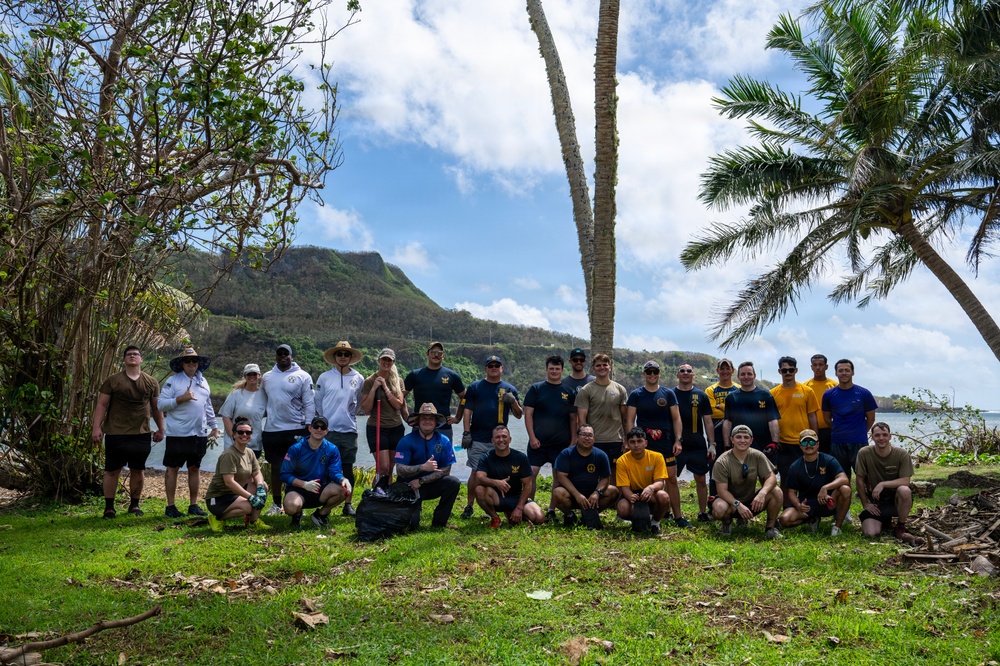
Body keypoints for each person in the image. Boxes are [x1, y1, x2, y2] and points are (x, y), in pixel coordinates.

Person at [91, 345, 165, 518]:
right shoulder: (113, 380)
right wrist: (96, 427)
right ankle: (109, 507)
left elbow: (156, 408)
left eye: (136, 354)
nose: (132, 356)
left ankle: (134, 505)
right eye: (129, 354)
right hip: (116, 432)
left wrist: (161, 429)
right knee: (112, 470)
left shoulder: (151, 382)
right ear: (124, 359)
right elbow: (102, 404)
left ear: (141, 359)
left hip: (141, 433)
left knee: (137, 470)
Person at [157, 347, 219, 518]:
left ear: (199, 363)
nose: (191, 363)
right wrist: (180, 399)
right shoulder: (173, 381)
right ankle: (170, 506)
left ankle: (193, 505)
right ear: (182, 364)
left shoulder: (203, 381)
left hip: (199, 434)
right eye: (187, 361)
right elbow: (161, 405)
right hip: (178, 433)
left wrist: (214, 426)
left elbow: (208, 406)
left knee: (194, 468)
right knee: (172, 468)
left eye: (194, 361)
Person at [459, 355, 522, 519]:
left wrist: (513, 402)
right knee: (475, 472)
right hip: (478, 437)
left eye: (497, 365)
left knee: (501, 473)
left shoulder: (509, 389)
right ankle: (470, 505)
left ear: (502, 368)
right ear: (486, 368)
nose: (494, 367)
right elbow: (467, 411)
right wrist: (466, 433)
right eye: (490, 365)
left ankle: (502, 503)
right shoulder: (475, 387)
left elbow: (519, 415)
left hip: (500, 440)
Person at [625, 360, 686, 526]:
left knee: (671, 479)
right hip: (644, 442)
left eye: (655, 372)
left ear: (659, 374)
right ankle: (645, 513)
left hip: (665, 442)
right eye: (649, 372)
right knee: (644, 478)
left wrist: (678, 440)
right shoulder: (636, 394)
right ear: (644, 374)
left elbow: (676, 418)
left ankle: (678, 516)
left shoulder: (668, 394)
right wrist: (628, 441)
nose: (652, 375)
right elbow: (630, 420)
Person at [261, 343, 315, 515]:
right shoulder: (267, 377)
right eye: (280, 354)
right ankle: (277, 504)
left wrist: (309, 424)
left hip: (297, 429)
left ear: (292, 356)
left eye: (286, 354)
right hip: (273, 430)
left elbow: (309, 402)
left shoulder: (303, 376)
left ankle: (298, 502)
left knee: (298, 468)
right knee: (276, 468)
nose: (283, 356)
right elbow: (262, 402)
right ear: (276, 356)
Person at [523, 355, 577, 518]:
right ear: (546, 370)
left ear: (562, 370)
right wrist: (532, 437)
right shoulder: (536, 388)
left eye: (557, 369)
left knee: (558, 476)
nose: (554, 371)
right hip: (538, 442)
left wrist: (573, 441)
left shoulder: (569, 392)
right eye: (551, 368)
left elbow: (574, 418)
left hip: (561, 443)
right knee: (531, 473)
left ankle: (552, 510)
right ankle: (529, 505)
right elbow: (528, 414)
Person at [316, 341, 364, 517]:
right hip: (328, 431)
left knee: (347, 468)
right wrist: (324, 423)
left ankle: (348, 504)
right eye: (340, 354)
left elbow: (359, 402)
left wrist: (349, 415)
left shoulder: (358, 378)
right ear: (335, 356)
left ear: (351, 357)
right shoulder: (324, 377)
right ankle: (323, 502)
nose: (343, 357)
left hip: (349, 430)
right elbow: (318, 402)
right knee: (325, 468)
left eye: (346, 354)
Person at [394, 403, 462, 529]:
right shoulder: (406, 441)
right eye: (424, 418)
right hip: (409, 486)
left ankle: (439, 522)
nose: (427, 421)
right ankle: (412, 511)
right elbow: (399, 470)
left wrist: (421, 480)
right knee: (412, 526)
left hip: (428, 484)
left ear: (436, 422)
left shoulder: (444, 440)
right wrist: (422, 467)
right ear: (418, 421)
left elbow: (446, 470)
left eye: (430, 418)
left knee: (453, 482)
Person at [855, 422, 923, 545]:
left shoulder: (901, 454)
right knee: (870, 533)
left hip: (897, 501)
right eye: (877, 435)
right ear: (872, 437)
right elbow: (859, 480)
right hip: (877, 502)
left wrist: (883, 484)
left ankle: (900, 526)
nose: (881, 438)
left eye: (885, 435)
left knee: (904, 490)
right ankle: (885, 522)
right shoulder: (864, 453)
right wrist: (865, 503)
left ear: (890, 436)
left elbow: (906, 481)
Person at [711, 424, 783, 539]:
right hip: (730, 503)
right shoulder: (722, 461)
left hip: (751, 502)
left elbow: (772, 477)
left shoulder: (757, 455)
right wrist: (738, 504)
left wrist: (762, 493)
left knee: (777, 491)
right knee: (720, 508)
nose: (742, 440)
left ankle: (770, 528)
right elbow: (721, 491)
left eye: (746, 437)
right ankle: (727, 522)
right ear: (731, 440)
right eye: (738, 437)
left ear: (751, 440)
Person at [280, 416, 352, 529]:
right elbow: (284, 474)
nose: (319, 430)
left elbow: (335, 472)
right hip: (298, 490)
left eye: (323, 427)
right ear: (310, 428)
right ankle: (297, 515)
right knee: (290, 507)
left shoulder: (332, 449)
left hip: (321, 489)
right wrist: (304, 484)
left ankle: (321, 515)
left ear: (327, 431)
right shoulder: (296, 448)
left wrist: (343, 479)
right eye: (316, 426)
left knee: (344, 489)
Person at [778, 429, 851, 536]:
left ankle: (837, 527)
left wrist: (825, 488)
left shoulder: (829, 460)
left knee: (845, 489)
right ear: (800, 446)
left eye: (812, 442)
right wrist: (798, 505)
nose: (808, 445)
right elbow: (791, 492)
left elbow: (844, 479)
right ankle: (812, 520)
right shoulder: (795, 466)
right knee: (784, 519)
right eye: (804, 442)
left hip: (828, 502)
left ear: (818, 444)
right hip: (807, 505)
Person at [204, 417, 270, 531]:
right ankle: (217, 518)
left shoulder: (249, 452)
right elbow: (229, 482)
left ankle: (253, 522)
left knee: (263, 486)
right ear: (234, 435)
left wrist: (259, 486)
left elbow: (257, 472)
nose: (244, 434)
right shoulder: (229, 455)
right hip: (219, 498)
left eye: (248, 432)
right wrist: (250, 497)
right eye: (240, 432)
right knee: (248, 507)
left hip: (235, 494)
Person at [769, 356, 819, 503]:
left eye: (791, 370)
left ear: (796, 370)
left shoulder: (807, 391)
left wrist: (815, 439)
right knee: (785, 477)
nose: (788, 373)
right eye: (784, 370)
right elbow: (770, 420)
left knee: (807, 476)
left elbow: (812, 417)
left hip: (804, 443)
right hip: (783, 443)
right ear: (780, 371)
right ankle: (787, 508)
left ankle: (807, 508)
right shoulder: (773, 393)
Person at [822, 359, 877, 488]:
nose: (844, 373)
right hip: (837, 442)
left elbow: (871, 418)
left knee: (865, 476)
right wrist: (838, 429)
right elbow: (826, 418)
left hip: (859, 442)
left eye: (847, 370)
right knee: (840, 478)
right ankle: (844, 508)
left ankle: (870, 505)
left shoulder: (864, 393)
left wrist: (860, 431)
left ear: (853, 372)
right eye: (840, 371)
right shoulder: (829, 394)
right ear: (836, 373)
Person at [475, 425, 544, 528]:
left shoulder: (520, 457)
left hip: (517, 497)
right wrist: (496, 483)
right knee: (479, 489)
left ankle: (512, 513)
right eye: (497, 437)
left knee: (539, 518)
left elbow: (528, 485)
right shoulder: (486, 458)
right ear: (492, 441)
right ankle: (495, 518)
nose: (501, 440)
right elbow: (479, 478)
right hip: (496, 497)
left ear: (510, 439)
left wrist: (519, 508)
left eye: (504, 436)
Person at [551, 425, 619, 529]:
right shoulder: (566, 453)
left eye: (590, 435)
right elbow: (561, 477)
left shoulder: (601, 455)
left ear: (594, 438)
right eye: (584, 435)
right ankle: (570, 515)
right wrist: (577, 495)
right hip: (571, 494)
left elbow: (605, 478)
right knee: (557, 493)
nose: (587, 438)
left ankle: (590, 514)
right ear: (577, 437)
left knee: (613, 491)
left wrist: (597, 493)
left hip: (592, 496)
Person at [673, 363, 715, 522]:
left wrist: (712, 444)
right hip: (677, 444)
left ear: (693, 375)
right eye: (682, 371)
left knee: (701, 479)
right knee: (670, 479)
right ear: (677, 375)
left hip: (697, 443)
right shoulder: (671, 394)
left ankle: (702, 512)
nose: (685, 373)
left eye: (688, 371)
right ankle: (670, 512)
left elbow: (708, 422)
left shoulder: (701, 395)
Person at [359, 348, 407, 489]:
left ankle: (386, 496)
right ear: (379, 360)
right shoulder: (369, 381)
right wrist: (374, 388)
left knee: (391, 468)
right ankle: (375, 495)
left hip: (395, 427)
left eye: (389, 360)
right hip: (377, 427)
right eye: (384, 359)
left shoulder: (398, 381)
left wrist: (385, 388)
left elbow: (398, 405)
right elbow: (366, 409)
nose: (386, 362)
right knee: (383, 468)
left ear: (393, 362)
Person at [576, 353, 628, 480]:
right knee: (593, 473)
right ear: (593, 368)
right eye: (598, 365)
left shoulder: (620, 389)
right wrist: (583, 440)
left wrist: (626, 440)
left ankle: (615, 500)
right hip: (594, 440)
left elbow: (625, 418)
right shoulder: (586, 390)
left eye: (605, 365)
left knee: (615, 474)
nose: (602, 368)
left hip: (615, 440)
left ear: (610, 367)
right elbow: (581, 419)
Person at [402, 341, 466, 442]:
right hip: (420, 427)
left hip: (443, 428)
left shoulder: (452, 376)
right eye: (433, 352)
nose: (436, 355)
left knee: (444, 458)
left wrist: (457, 418)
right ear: (427, 354)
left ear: (443, 356)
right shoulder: (415, 375)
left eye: (439, 353)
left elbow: (464, 397)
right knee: (418, 457)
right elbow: (401, 396)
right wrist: (406, 416)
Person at [615, 428, 670, 534]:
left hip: (650, 492)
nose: (636, 445)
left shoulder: (657, 457)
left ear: (645, 443)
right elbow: (624, 488)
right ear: (627, 444)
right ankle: (638, 519)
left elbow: (660, 482)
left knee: (664, 496)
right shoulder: (621, 461)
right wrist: (631, 496)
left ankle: (655, 522)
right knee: (622, 508)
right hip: (632, 492)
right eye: (632, 442)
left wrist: (651, 488)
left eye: (639, 441)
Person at [723, 361, 780, 454]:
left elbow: (773, 420)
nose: (746, 377)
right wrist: (727, 445)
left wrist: (775, 443)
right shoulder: (731, 397)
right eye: (743, 374)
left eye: (749, 374)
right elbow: (727, 422)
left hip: (764, 446)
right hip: (740, 446)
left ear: (754, 375)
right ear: (738, 377)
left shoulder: (765, 395)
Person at [705, 358, 738, 496]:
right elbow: (711, 410)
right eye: (722, 369)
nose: (725, 371)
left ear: (732, 370)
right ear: (717, 371)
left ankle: (736, 498)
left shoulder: (738, 389)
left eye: (727, 368)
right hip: (715, 431)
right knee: (716, 466)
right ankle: (714, 499)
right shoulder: (710, 390)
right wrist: (729, 408)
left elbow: (739, 410)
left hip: (736, 430)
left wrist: (722, 406)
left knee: (736, 466)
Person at [218, 363, 266, 458]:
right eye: (249, 374)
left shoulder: (264, 395)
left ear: (259, 376)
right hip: (235, 445)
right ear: (245, 376)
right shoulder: (235, 394)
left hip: (255, 445)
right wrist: (235, 437)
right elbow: (226, 416)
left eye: (254, 374)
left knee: (252, 472)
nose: (252, 376)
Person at [804, 354, 838, 454]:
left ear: (826, 366)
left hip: (831, 429)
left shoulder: (834, 386)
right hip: (811, 430)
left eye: (821, 364)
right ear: (811, 367)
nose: (817, 368)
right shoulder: (805, 387)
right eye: (815, 365)